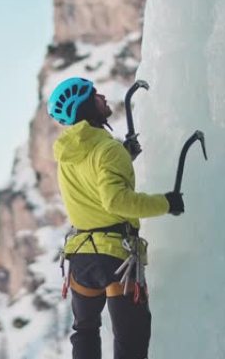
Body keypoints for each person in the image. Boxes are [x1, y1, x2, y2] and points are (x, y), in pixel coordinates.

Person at [49, 77, 184, 359]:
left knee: (84, 331)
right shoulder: (108, 150)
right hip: (116, 258)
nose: (103, 98)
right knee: (130, 339)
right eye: (95, 95)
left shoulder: (66, 156)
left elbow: (93, 183)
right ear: (86, 106)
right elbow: (116, 201)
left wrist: (124, 156)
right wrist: (166, 203)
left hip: (82, 257)